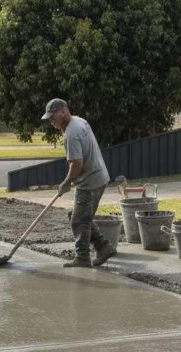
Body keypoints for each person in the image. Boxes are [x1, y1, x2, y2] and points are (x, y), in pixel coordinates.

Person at [41, 98, 116, 268]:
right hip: (99, 177)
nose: (52, 122)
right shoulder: (80, 121)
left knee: (78, 221)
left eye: (53, 117)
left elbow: (77, 164)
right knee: (82, 217)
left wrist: (66, 182)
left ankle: (82, 257)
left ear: (63, 111)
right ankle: (104, 246)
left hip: (89, 181)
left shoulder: (71, 134)